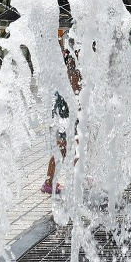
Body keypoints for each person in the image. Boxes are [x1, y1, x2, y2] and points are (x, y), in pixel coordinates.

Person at [42, 48, 82, 194]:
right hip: (66, 116)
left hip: (64, 115)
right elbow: (77, 93)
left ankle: (74, 179)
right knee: (64, 149)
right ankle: (50, 182)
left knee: (68, 148)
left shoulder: (68, 70)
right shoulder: (73, 71)